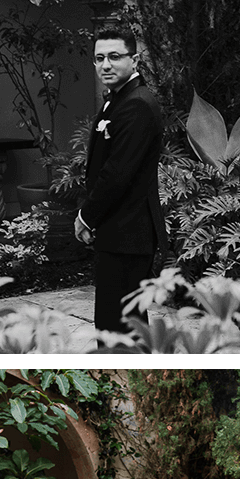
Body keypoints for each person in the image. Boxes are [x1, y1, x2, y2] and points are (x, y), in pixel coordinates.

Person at [77, 26, 168, 334]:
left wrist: (86, 216)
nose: (106, 65)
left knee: (120, 326)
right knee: (116, 322)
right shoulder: (117, 99)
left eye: (115, 56)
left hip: (130, 233)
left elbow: (117, 174)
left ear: (135, 60)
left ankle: (130, 382)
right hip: (118, 231)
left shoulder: (137, 104)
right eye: (99, 58)